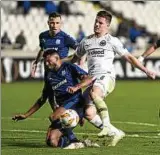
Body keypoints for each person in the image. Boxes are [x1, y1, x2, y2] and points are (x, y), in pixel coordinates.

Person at [72, 10, 156, 146]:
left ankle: (106, 125)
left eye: (101, 23)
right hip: (92, 79)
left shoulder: (112, 41)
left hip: (107, 77)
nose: (97, 25)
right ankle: (115, 132)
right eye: (96, 21)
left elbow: (129, 57)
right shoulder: (86, 41)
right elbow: (74, 58)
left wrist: (145, 70)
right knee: (88, 112)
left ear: (107, 26)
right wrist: (59, 64)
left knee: (94, 92)